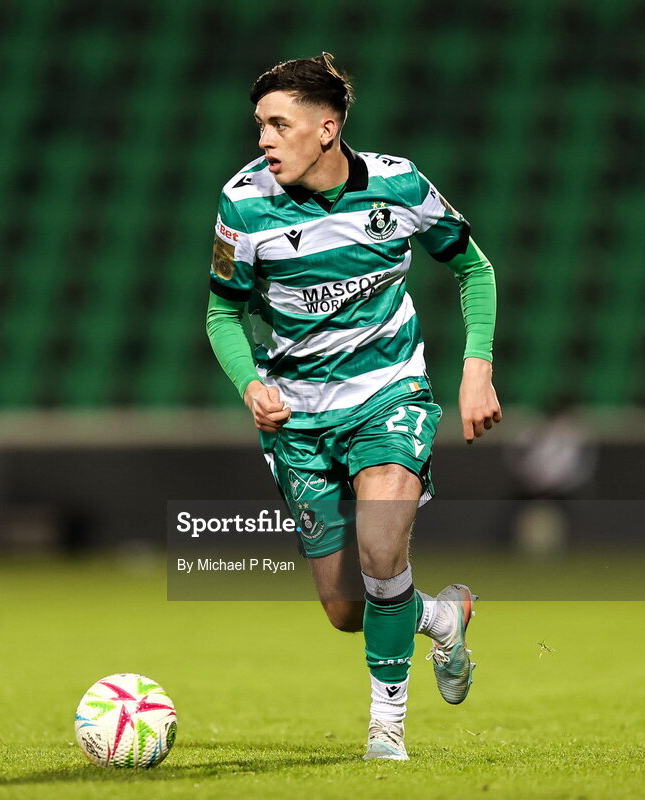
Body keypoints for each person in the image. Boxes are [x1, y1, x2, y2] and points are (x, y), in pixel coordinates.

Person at [205, 53, 502, 761]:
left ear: (327, 129)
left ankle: (386, 731)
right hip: (299, 417)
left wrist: (477, 368)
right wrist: (250, 384)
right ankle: (441, 616)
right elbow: (222, 313)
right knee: (346, 609)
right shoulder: (243, 203)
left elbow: (474, 268)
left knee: (381, 546)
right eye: (259, 126)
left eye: (279, 125)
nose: (264, 140)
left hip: (388, 395)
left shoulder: (399, 185)